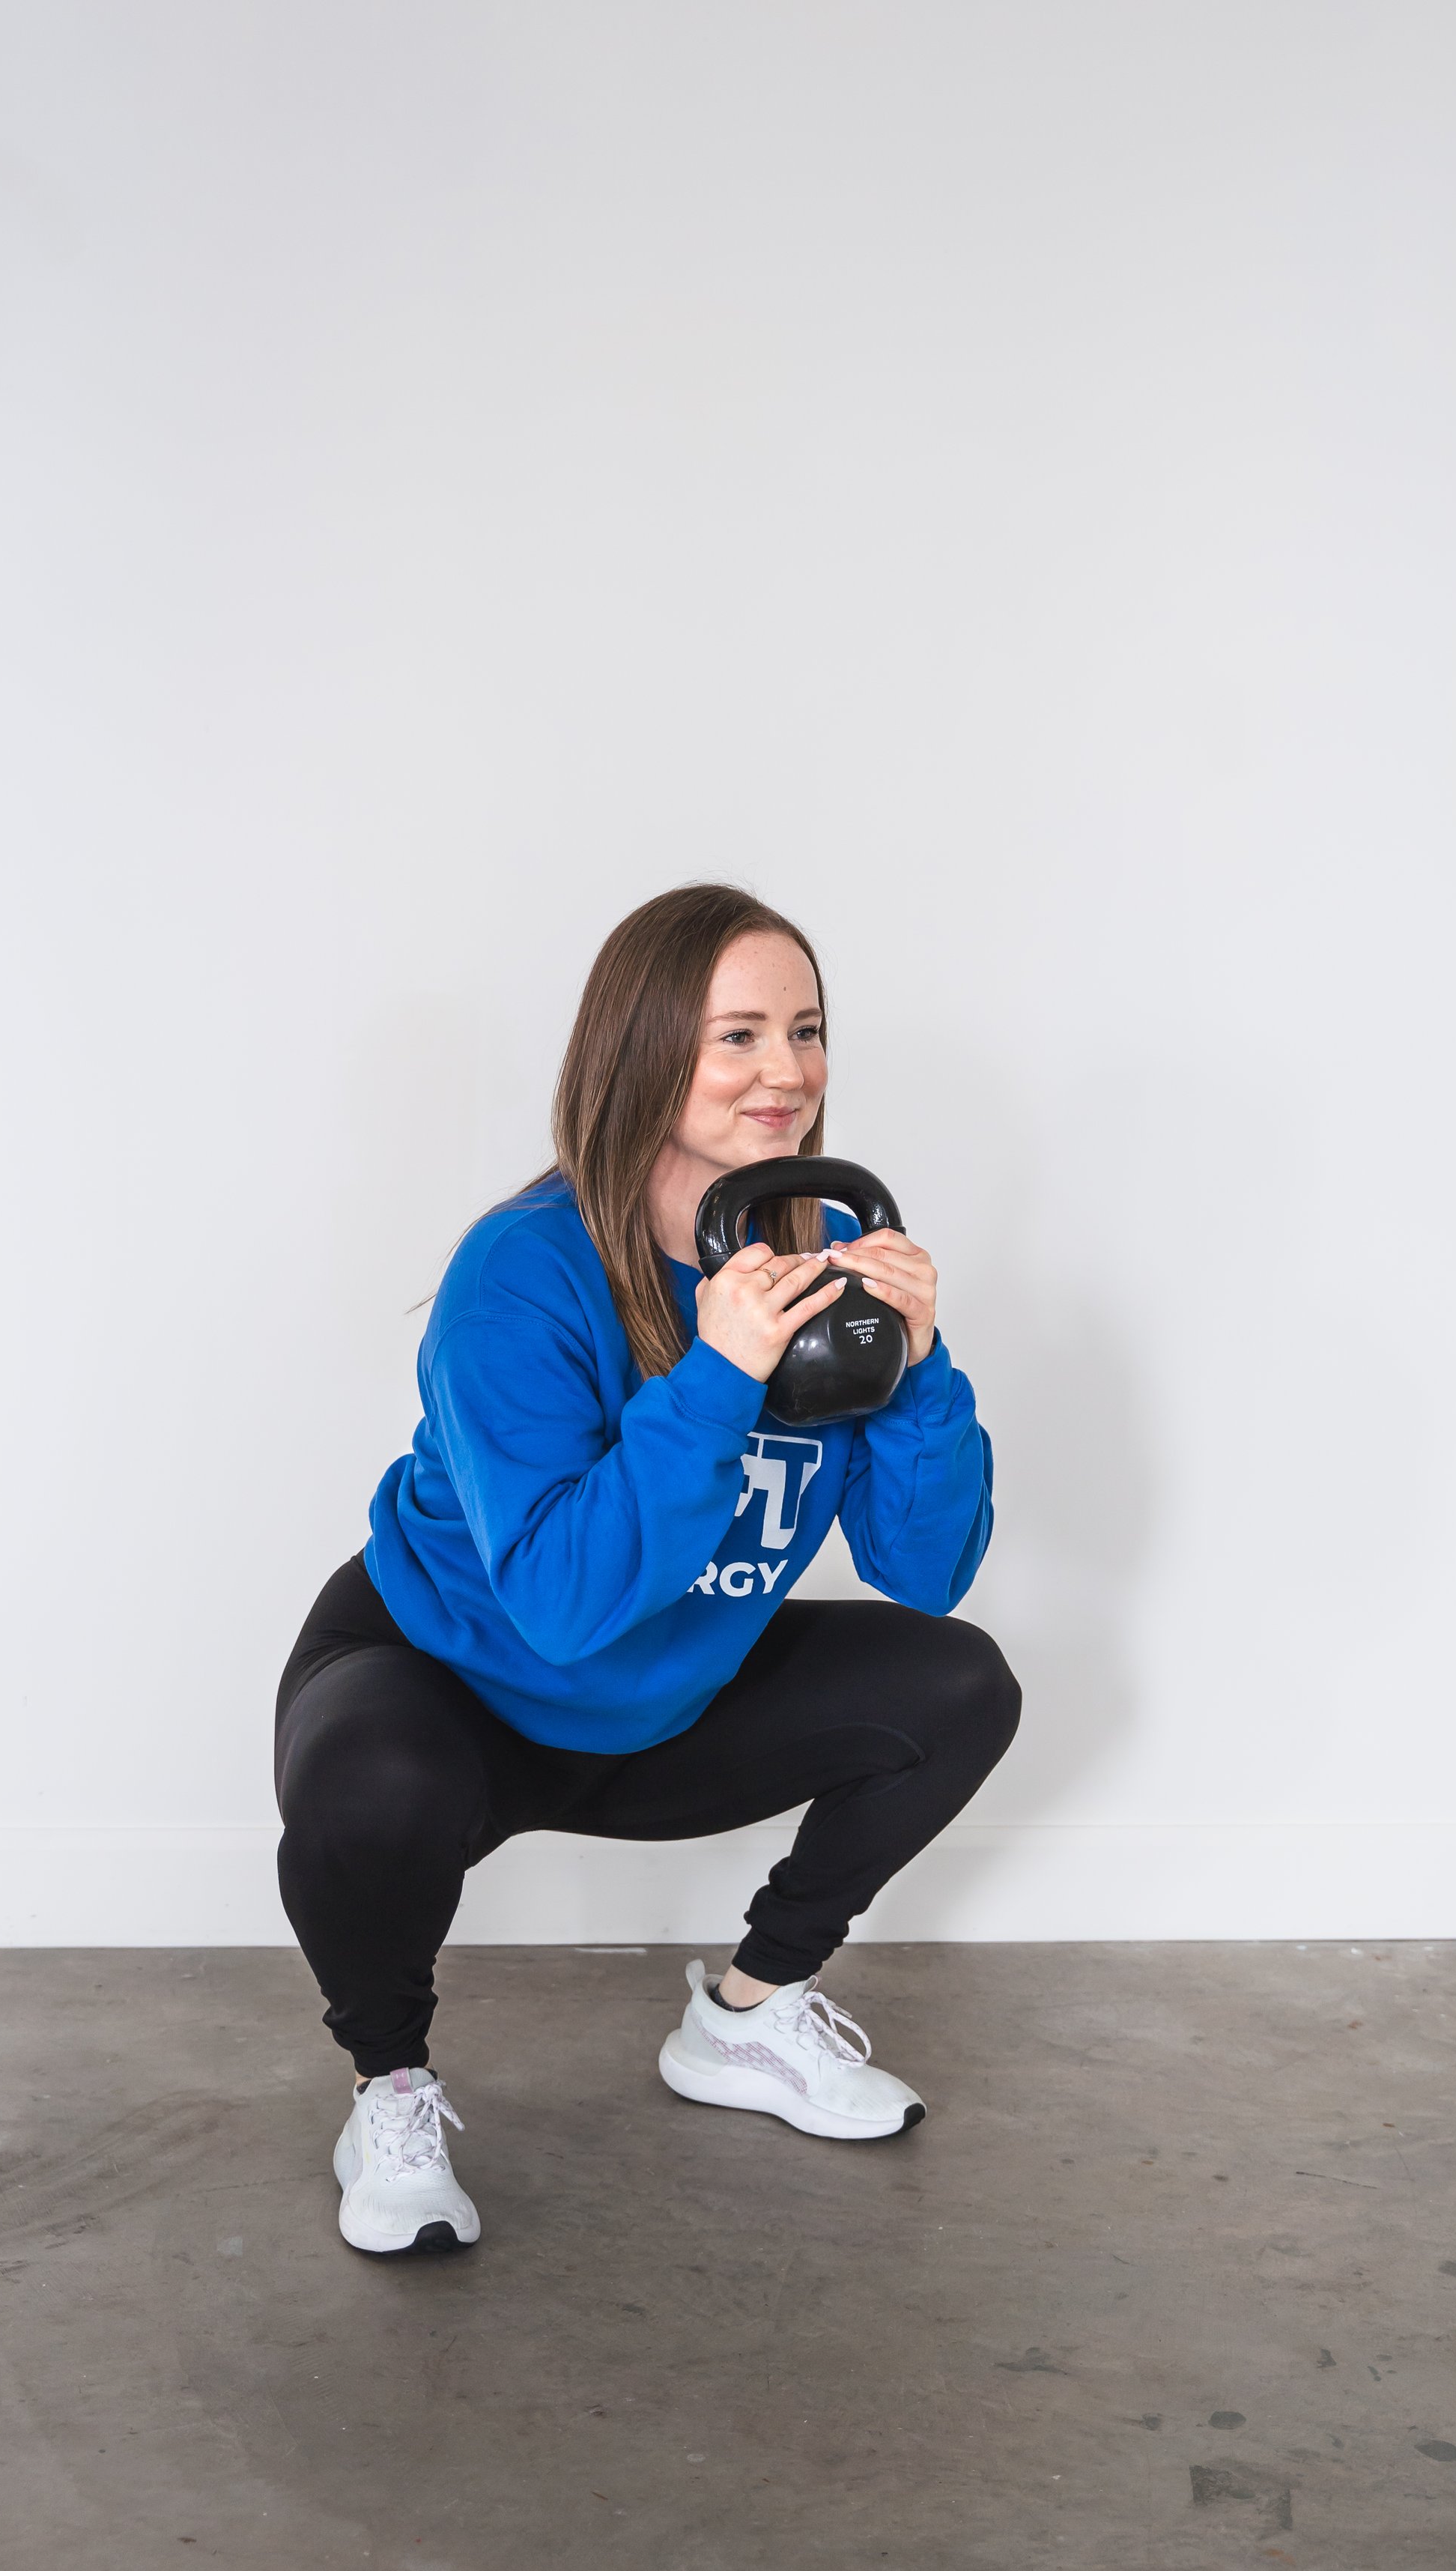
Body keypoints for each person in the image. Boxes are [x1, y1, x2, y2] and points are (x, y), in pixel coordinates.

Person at [274, 882, 1019, 2256]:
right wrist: (721, 1373)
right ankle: (389, 2086)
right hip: (452, 1684)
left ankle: (744, 2019)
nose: (785, 1072)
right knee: (370, 1788)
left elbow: (924, 1572)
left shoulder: (817, 1274)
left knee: (959, 1685)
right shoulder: (523, 1274)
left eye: (805, 1029)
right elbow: (557, 1602)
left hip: (668, 1693)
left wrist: (917, 1371)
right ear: (643, 1049)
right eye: (736, 1036)